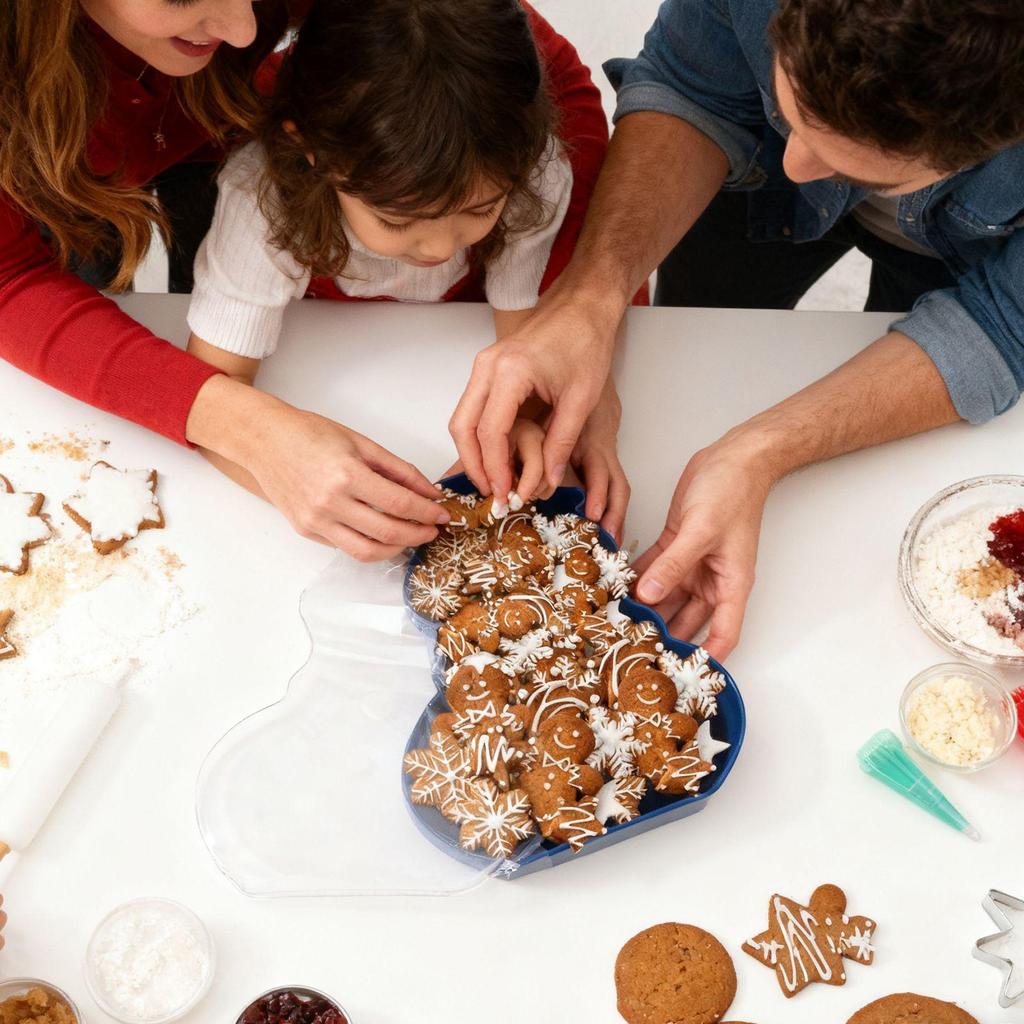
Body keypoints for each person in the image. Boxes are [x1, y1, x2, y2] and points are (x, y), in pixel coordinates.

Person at [449, 0, 1024, 659]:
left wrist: (758, 453)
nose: (795, 166)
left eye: (863, 165)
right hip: (740, 198)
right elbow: (693, 85)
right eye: (791, 110)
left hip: (958, 253)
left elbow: (1001, 326)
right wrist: (589, 298)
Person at [0, 1, 614, 558]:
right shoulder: (262, 202)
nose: (249, 33)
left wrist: (586, 322)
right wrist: (257, 440)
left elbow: (519, 74)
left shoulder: (508, 155)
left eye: (481, 211)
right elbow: (14, 282)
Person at [184, 0, 628, 558]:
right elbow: (209, 389)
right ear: (312, 153)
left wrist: (529, 421)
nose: (442, 247)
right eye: (396, 220)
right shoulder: (261, 198)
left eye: (482, 209)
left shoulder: (530, 167)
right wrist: (286, 468)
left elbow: (529, 351)